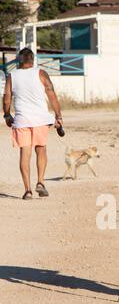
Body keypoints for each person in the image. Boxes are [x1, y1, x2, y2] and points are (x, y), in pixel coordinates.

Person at [2, 47, 63, 200]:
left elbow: (7, 98)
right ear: (32, 60)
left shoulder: (12, 76)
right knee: (41, 150)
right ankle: (41, 182)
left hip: (22, 120)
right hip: (41, 120)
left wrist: (7, 115)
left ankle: (28, 190)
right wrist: (58, 116)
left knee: (25, 154)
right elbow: (52, 95)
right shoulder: (41, 73)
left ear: (19, 60)